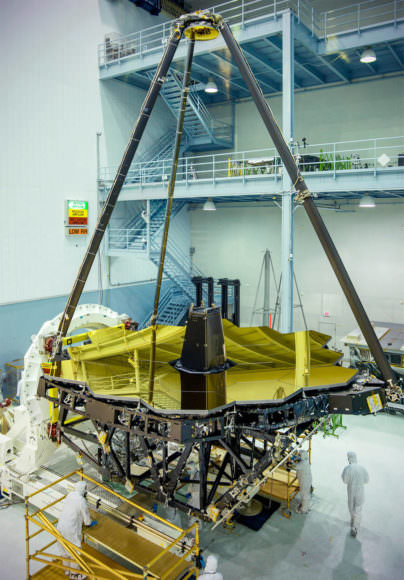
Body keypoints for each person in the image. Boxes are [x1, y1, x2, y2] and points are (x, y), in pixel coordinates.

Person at [57, 481, 97, 579]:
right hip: (71, 528)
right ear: (83, 490)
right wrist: (90, 522)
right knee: (75, 551)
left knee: (64, 548)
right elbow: (87, 520)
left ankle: (67, 570)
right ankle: (74, 575)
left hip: (61, 525)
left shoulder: (70, 494)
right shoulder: (81, 501)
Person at [341, 451, 369, 537]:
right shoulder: (362, 468)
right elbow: (366, 480)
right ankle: (355, 527)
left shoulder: (347, 468)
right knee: (358, 508)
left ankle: (353, 519)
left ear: (349, 458)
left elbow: (345, 481)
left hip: (351, 490)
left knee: (351, 506)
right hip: (360, 490)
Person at [294, 449, 312, 514]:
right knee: (306, 494)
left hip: (304, 481)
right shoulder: (305, 461)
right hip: (306, 479)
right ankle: (306, 506)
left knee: (304, 494)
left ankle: (303, 510)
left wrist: (291, 462)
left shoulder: (303, 463)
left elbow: (295, 466)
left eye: (299, 455)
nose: (299, 456)